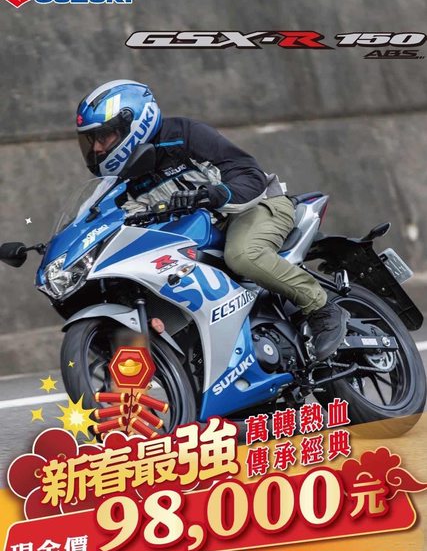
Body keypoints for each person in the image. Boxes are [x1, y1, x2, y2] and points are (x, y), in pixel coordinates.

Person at [76, 79, 349, 360]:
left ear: (132, 122)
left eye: (103, 136)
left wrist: (215, 194)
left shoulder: (183, 135)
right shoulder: (119, 182)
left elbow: (248, 173)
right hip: (197, 235)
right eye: (91, 140)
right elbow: (100, 219)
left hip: (253, 208)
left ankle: (322, 309)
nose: (96, 148)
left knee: (243, 255)